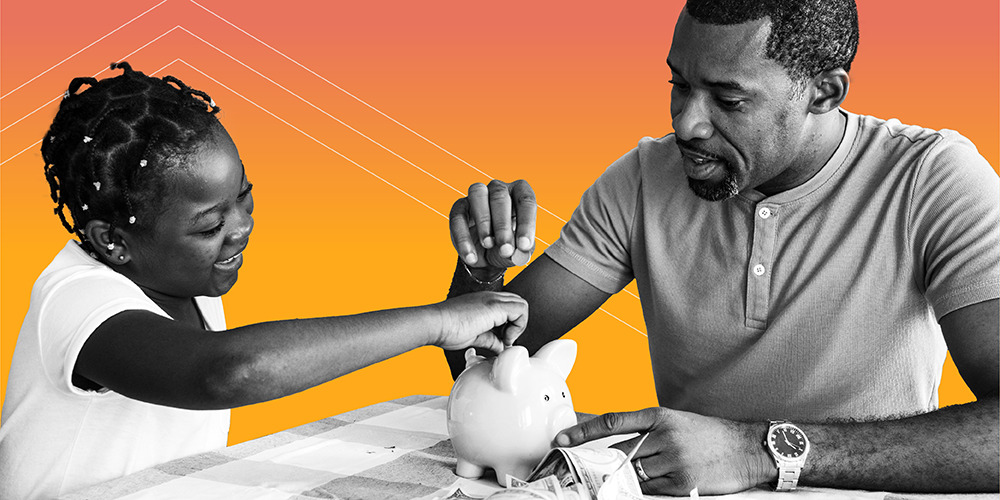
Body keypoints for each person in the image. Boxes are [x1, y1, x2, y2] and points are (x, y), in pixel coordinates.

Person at [444, 0, 998, 495]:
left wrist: (759, 451)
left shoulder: (933, 180)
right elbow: (484, 365)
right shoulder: (642, 179)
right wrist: (482, 275)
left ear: (824, 92)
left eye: (729, 99)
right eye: (678, 85)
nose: (686, 125)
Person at [0, 62, 529, 500]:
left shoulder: (179, 280)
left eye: (244, 195)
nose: (242, 226)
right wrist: (436, 322)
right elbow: (229, 371)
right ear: (113, 241)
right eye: (210, 224)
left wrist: (475, 283)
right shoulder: (74, 299)